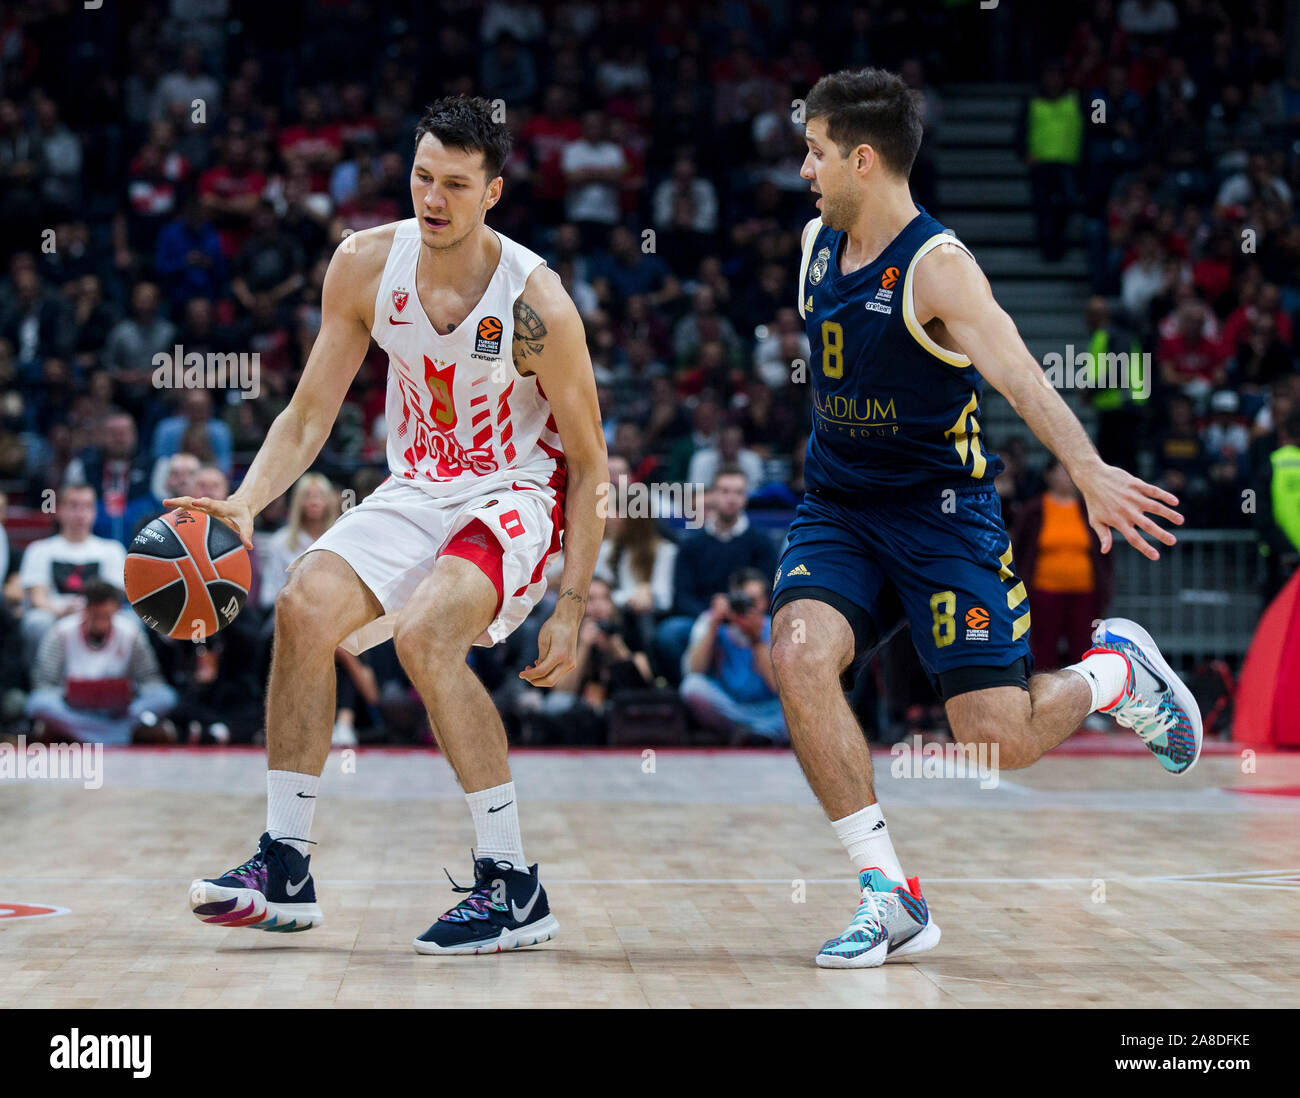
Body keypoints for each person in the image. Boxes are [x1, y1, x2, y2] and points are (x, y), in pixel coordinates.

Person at [772, 69, 1201, 969]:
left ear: (862, 157)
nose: (803, 169)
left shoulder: (941, 268)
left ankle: (1114, 677)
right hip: (842, 507)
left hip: (942, 520)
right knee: (798, 653)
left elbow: (1021, 377)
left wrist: (1086, 471)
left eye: (814, 152)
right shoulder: (816, 242)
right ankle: (887, 894)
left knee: (995, 738)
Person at [172, 97, 606, 954]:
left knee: (427, 637)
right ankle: (286, 867)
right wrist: (246, 504)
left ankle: (512, 882)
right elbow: (307, 415)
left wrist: (574, 601)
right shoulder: (365, 264)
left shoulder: (539, 304)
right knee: (302, 606)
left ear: (494, 193)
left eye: (454, 184)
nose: (433, 198)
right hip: (416, 487)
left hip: (514, 493)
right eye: (421, 177)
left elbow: (591, 463)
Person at [26, 581, 177, 745]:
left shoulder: (131, 633)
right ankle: (114, 734)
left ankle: (90, 735)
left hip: (120, 712)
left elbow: (151, 680)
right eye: (96, 616)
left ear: (116, 610)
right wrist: (66, 694)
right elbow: (44, 684)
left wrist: (131, 693)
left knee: (165, 697)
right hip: (74, 709)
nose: (101, 622)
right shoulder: (61, 632)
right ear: (86, 610)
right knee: (39, 703)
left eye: (106, 616)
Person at [1012, 458, 1113, 671]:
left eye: (1071, 473)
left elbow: (1104, 550)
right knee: (1043, 649)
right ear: (1048, 476)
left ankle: (1084, 698)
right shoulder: (1034, 509)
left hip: (1085, 592)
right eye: (1061, 472)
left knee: (1084, 649)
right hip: (1044, 592)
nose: (1066, 478)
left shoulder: (1089, 508)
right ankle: (1044, 699)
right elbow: (1019, 549)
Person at [19, 483, 128, 663]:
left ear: (95, 512)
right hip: (55, 614)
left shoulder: (112, 550)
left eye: (87, 506)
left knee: (131, 622)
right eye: (73, 505)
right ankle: (41, 681)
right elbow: (38, 598)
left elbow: (114, 596)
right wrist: (60, 611)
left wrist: (89, 612)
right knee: (36, 622)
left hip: (99, 613)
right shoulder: (39, 550)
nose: (80, 513)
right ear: (59, 510)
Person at [680, 568, 786, 745]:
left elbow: (778, 687)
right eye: (742, 600)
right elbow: (694, 670)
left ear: (765, 601)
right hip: (732, 706)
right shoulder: (714, 624)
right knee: (692, 687)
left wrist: (757, 641)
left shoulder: (777, 626)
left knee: (800, 705)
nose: (748, 607)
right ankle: (755, 734)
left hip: (771, 709)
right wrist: (713, 624)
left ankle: (755, 734)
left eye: (754, 600)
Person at [257, 473, 341, 610]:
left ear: (329, 501)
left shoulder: (340, 540)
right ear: (298, 501)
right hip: (290, 611)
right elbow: (270, 592)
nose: (314, 501)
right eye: (307, 496)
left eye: (320, 495)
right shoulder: (279, 541)